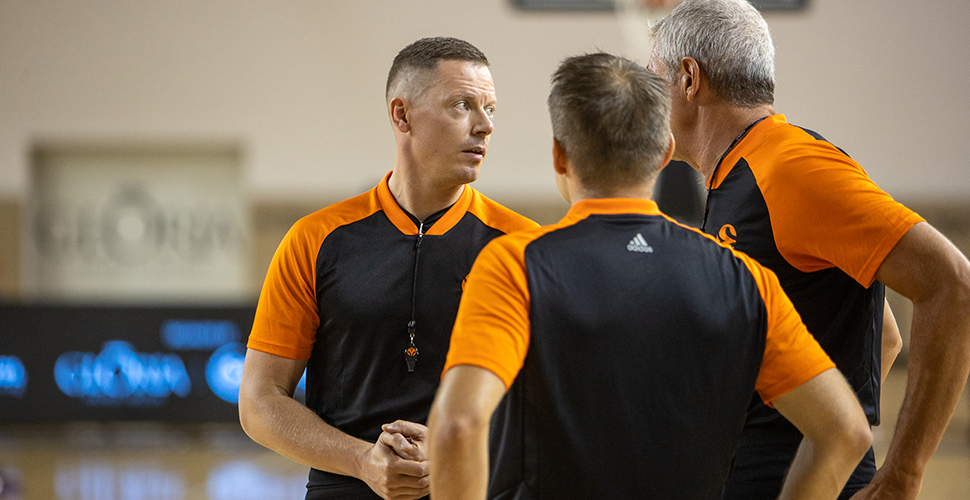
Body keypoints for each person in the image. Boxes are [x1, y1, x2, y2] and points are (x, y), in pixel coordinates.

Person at [427, 52, 872, 500]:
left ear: (560, 155)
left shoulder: (513, 265)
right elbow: (846, 432)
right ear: (665, 153)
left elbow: (458, 425)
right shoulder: (744, 278)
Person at [647, 1, 970, 499]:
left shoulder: (791, 167)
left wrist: (900, 476)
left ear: (689, 79)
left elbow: (953, 283)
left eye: (653, 79)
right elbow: (883, 336)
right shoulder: (740, 173)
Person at [237, 37, 538, 500]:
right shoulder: (314, 239)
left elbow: (548, 403)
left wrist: (455, 451)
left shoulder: (523, 245)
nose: (485, 126)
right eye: (462, 106)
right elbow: (259, 402)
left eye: (490, 109)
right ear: (402, 115)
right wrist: (363, 461)